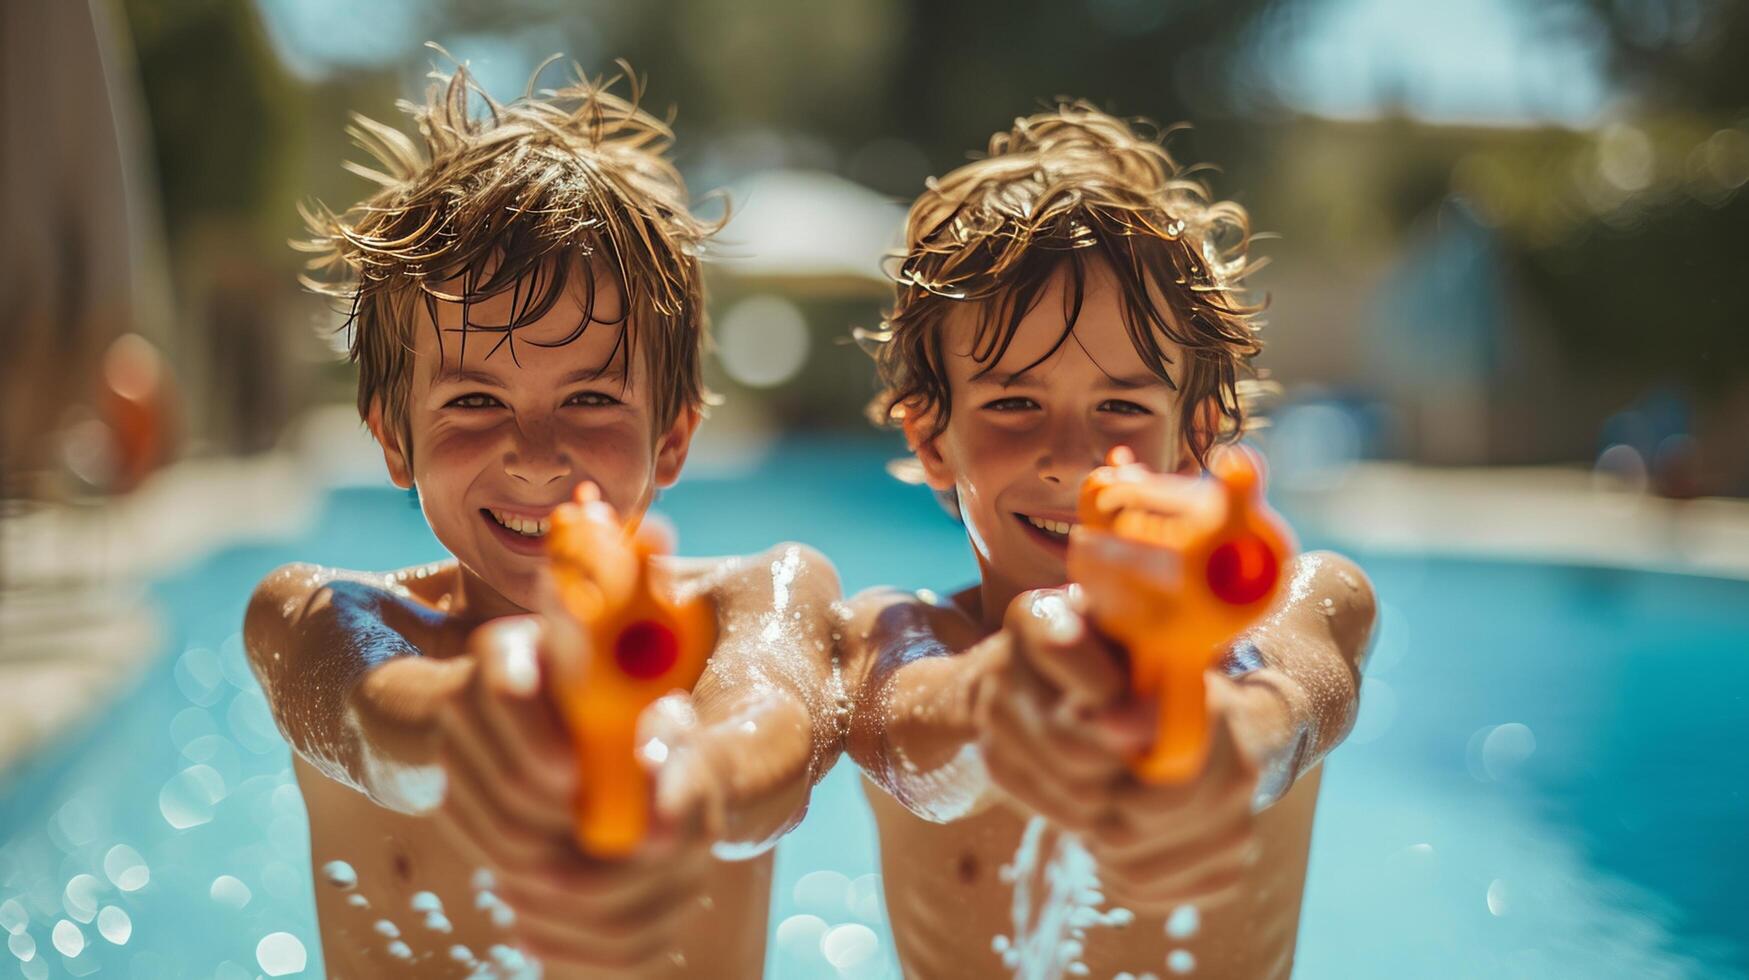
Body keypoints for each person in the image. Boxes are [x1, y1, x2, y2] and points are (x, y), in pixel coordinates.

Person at [244, 63, 842, 978]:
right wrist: (477, 717)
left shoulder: (755, 597)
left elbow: (772, 724)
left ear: (673, 438)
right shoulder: (315, 619)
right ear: (394, 440)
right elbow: (371, 717)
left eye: (592, 397)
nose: (534, 452)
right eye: (476, 400)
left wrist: (697, 788)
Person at [843, 103, 1377, 979]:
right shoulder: (888, 642)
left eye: (1122, 407)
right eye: (1014, 404)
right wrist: (996, 704)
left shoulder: (1304, 603)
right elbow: (906, 735)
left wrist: (1232, 742)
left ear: (1198, 436)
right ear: (932, 439)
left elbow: (1287, 698)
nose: (1074, 463)